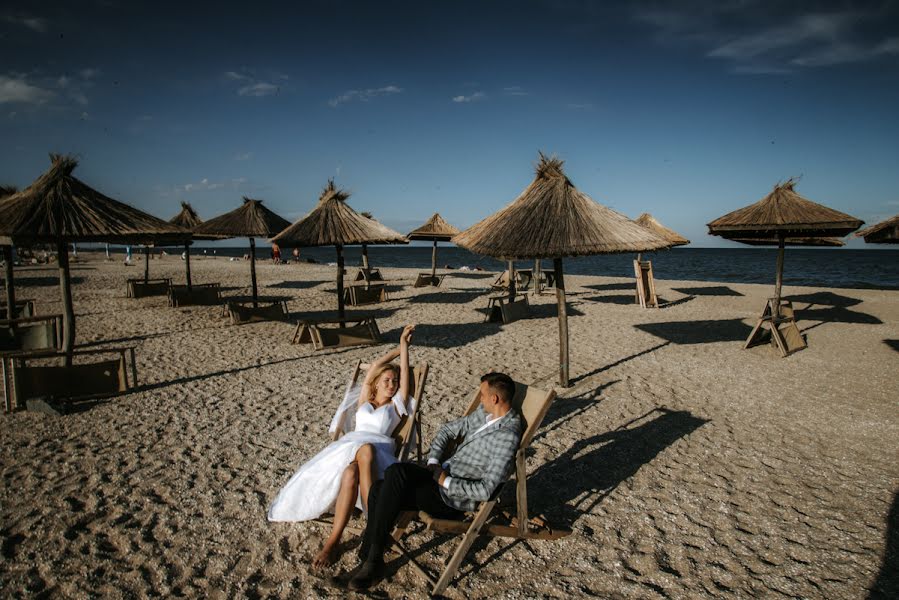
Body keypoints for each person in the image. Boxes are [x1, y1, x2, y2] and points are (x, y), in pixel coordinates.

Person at [346, 372, 522, 590]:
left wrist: (446, 481)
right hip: (437, 475)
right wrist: (433, 460)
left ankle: (371, 560)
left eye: (483, 395)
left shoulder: (507, 436)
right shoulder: (485, 414)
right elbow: (448, 429)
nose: (480, 398)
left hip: (451, 499)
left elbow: (487, 490)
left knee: (395, 476)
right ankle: (371, 559)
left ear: (495, 399)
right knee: (382, 485)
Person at [268, 325, 417, 569]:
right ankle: (335, 541)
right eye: (387, 381)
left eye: (395, 381)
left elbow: (403, 379)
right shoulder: (364, 401)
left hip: (379, 451)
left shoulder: (397, 405)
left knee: (367, 449)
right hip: (352, 445)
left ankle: (369, 520)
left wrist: (404, 346)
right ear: (377, 384)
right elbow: (372, 371)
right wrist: (394, 352)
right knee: (350, 473)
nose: (392, 384)